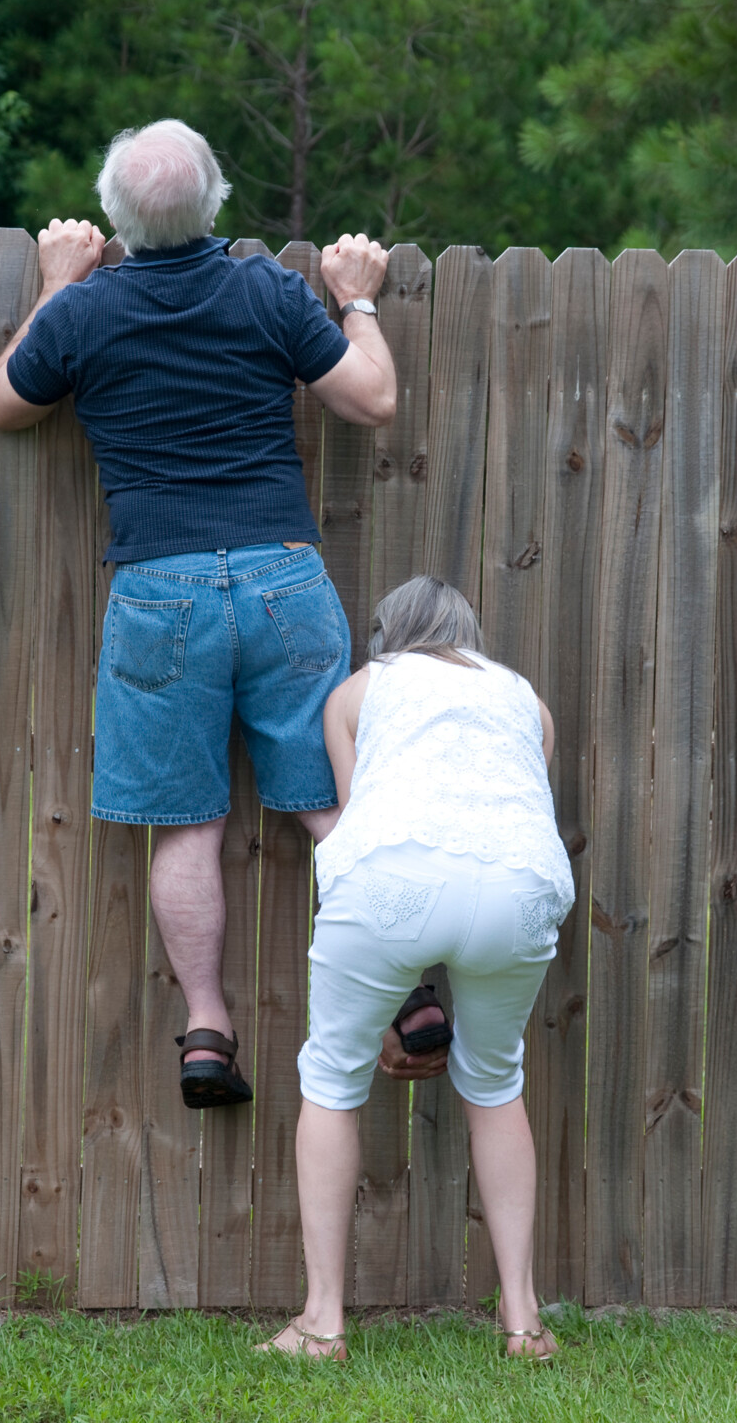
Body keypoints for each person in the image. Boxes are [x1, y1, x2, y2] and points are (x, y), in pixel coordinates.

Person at [0, 119, 446, 1108]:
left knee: (187, 826)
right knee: (328, 798)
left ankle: (207, 1031)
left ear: (111, 219)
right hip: (283, 579)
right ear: (217, 200)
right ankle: (409, 993)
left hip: (160, 589)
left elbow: (2, 404)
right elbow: (372, 400)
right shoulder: (267, 290)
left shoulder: (83, 313)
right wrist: (356, 299)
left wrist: (59, 281)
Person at [260, 576, 575, 1361]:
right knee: (496, 1081)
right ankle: (523, 1322)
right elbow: (504, 814)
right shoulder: (526, 702)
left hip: (389, 879)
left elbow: (365, 820)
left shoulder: (359, 692)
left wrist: (396, 1000)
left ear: (387, 634)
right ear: (468, 636)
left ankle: (323, 1321)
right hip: (524, 885)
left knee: (333, 1078)